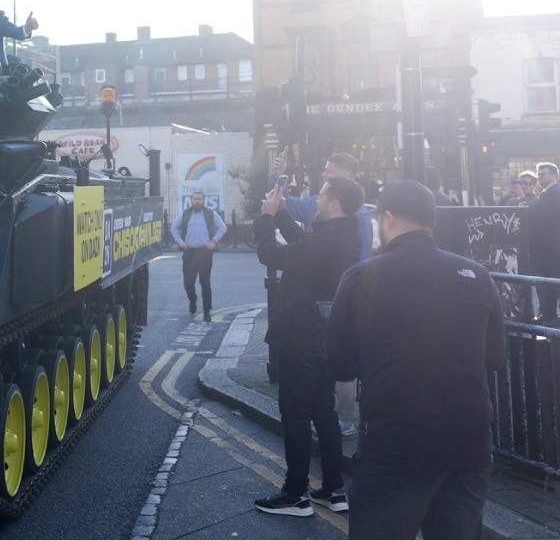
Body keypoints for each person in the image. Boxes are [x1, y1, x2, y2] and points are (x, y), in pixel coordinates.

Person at [326, 180, 505, 539]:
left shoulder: (361, 277)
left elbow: (338, 361)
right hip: (468, 446)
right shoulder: (478, 275)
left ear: (388, 218)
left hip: (395, 445)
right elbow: (494, 358)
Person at [252, 176, 363, 518]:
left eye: (322, 195)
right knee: (322, 412)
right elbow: (303, 243)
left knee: (296, 415)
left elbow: (270, 253)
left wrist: (267, 217)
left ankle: (295, 494)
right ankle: (333, 490)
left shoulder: (325, 243)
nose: (316, 199)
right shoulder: (344, 236)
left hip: (300, 336)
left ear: (334, 204)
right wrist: (283, 214)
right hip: (324, 336)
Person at [274, 150, 373, 260]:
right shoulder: (317, 202)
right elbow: (289, 205)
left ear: (346, 176)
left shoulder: (361, 217)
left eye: (328, 171)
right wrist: (279, 176)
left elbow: (363, 261)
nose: (323, 174)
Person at [170, 192, 227, 322]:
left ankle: (207, 312)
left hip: (205, 252)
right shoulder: (185, 214)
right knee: (188, 283)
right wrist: (180, 242)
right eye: (195, 199)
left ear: (203, 201)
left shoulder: (210, 213)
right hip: (189, 252)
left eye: (199, 199)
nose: (197, 201)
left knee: (205, 282)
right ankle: (193, 299)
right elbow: (173, 227)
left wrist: (214, 241)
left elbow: (222, 227)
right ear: (191, 200)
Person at [527, 162, 560, 322]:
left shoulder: (555, 192)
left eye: (542, 174)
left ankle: (548, 313)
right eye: (538, 174)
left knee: (547, 280)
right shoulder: (549, 192)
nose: (539, 177)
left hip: (549, 247)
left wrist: (526, 201)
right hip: (547, 246)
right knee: (546, 280)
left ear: (553, 174)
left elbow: (544, 215)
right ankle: (547, 312)